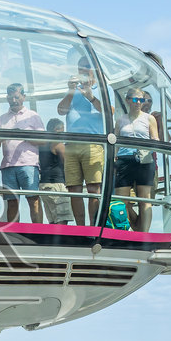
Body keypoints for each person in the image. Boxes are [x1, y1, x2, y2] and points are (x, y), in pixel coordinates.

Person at [56, 56, 105, 225]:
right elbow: (61, 111)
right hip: (71, 145)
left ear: (95, 69)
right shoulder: (73, 90)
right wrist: (71, 91)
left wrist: (91, 96)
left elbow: (109, 112)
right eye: (79, 68)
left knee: (93, 188)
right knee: (74, 189)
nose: (82, 71)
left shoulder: (104, 89)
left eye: (86, 67)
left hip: (93, 143)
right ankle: (81, 227)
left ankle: (92, 225)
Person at [0, 83, 43, 223]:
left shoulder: (33, 116)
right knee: (12, 202)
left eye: (16, 97)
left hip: (28, 164)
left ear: (24, 97)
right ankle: (14, 233)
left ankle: (38, 232)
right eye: (11, 98)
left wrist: (25, 135)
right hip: (8, 165)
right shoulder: (1, 119)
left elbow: (43, 141)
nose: (14, 100)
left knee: (33, 199)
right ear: (7, 98)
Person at [114, 88, 161, 230]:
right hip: (124, 159)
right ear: (128, 100)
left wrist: (152, 146)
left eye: (141, 100)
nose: (138, 103)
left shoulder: (149, 118)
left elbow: (155, 138)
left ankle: (143, 234)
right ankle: (128, 230)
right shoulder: (121, 120)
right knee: (122, 201)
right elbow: (115, 142)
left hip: (144, 160)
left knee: (144, 200)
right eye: (135, 99)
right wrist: (114, 160)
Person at [38, 118, 73, 225]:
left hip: (43, 185)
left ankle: (53, 240)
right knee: (62, 219)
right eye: (62, 130)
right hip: (57, 185)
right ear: (55, 129)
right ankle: (60, 241)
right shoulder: (58, 145)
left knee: (52, 220)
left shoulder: (42, 145)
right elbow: (67, 164)